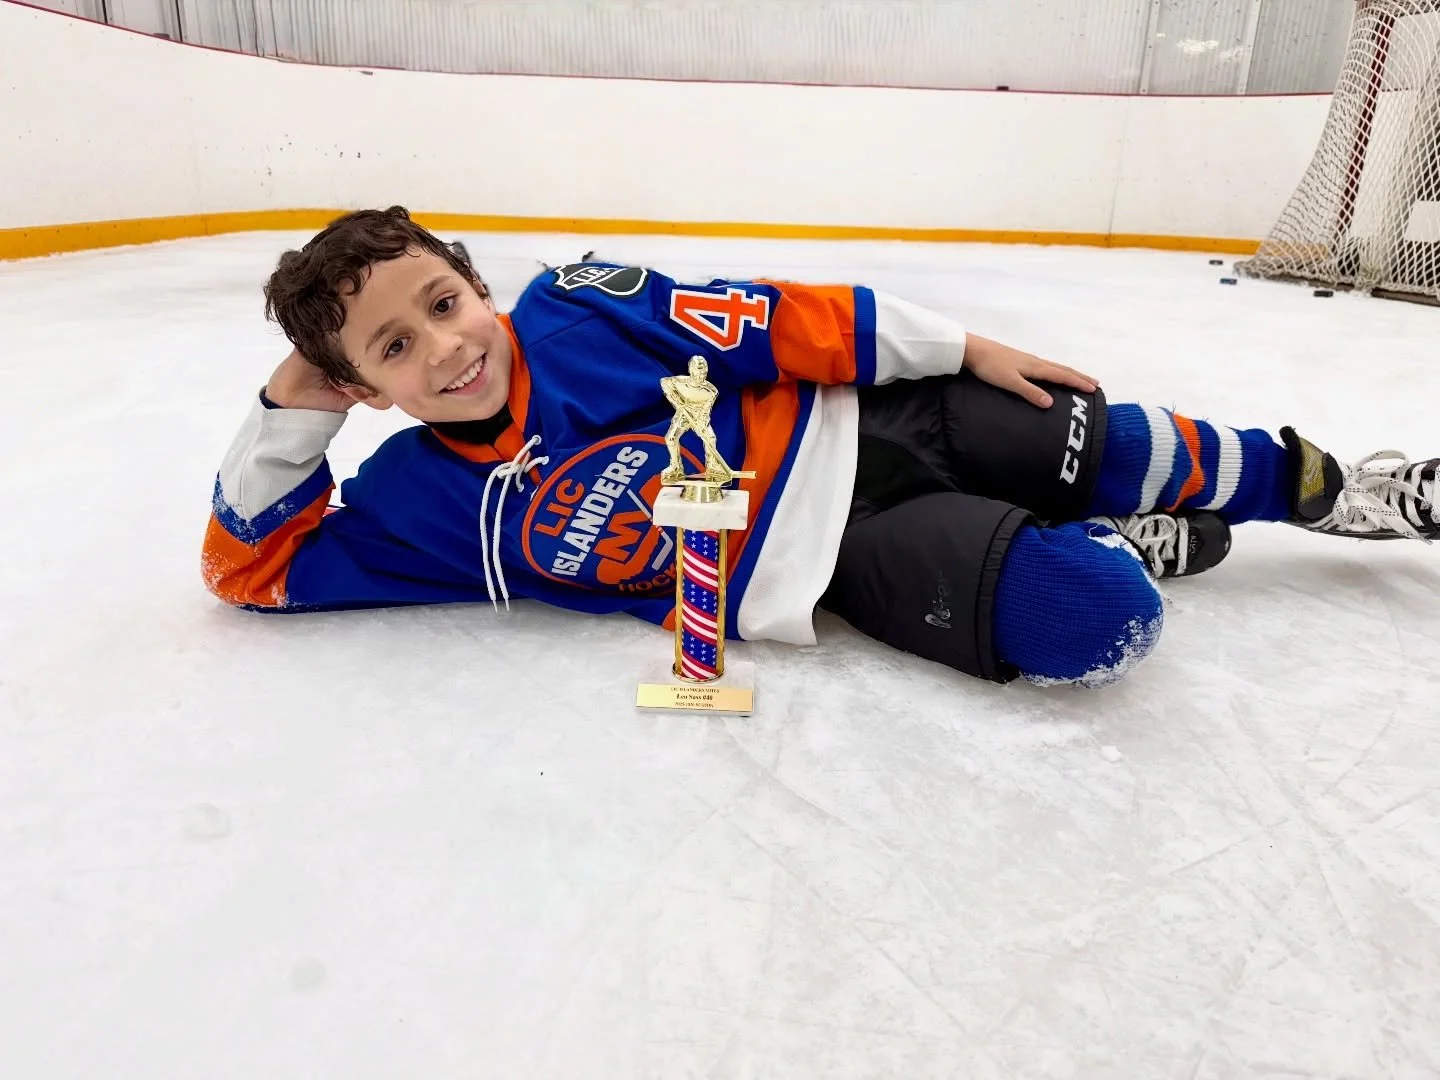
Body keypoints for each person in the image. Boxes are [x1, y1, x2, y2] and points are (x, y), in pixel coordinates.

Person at [201, 206, 1438, 689]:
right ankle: (1114, 549)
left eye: (441, 303)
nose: (445, 348)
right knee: (1089, 620)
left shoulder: (579, 306)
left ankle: (1334, 490)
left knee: (1091, 429)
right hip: (838, 561)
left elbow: (770, 316)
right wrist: (291, 403)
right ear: (359, 389)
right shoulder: (419, 505)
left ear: (477, 283)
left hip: (878, 418)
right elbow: (250, 569)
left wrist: (955, 346)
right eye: (391, 352)